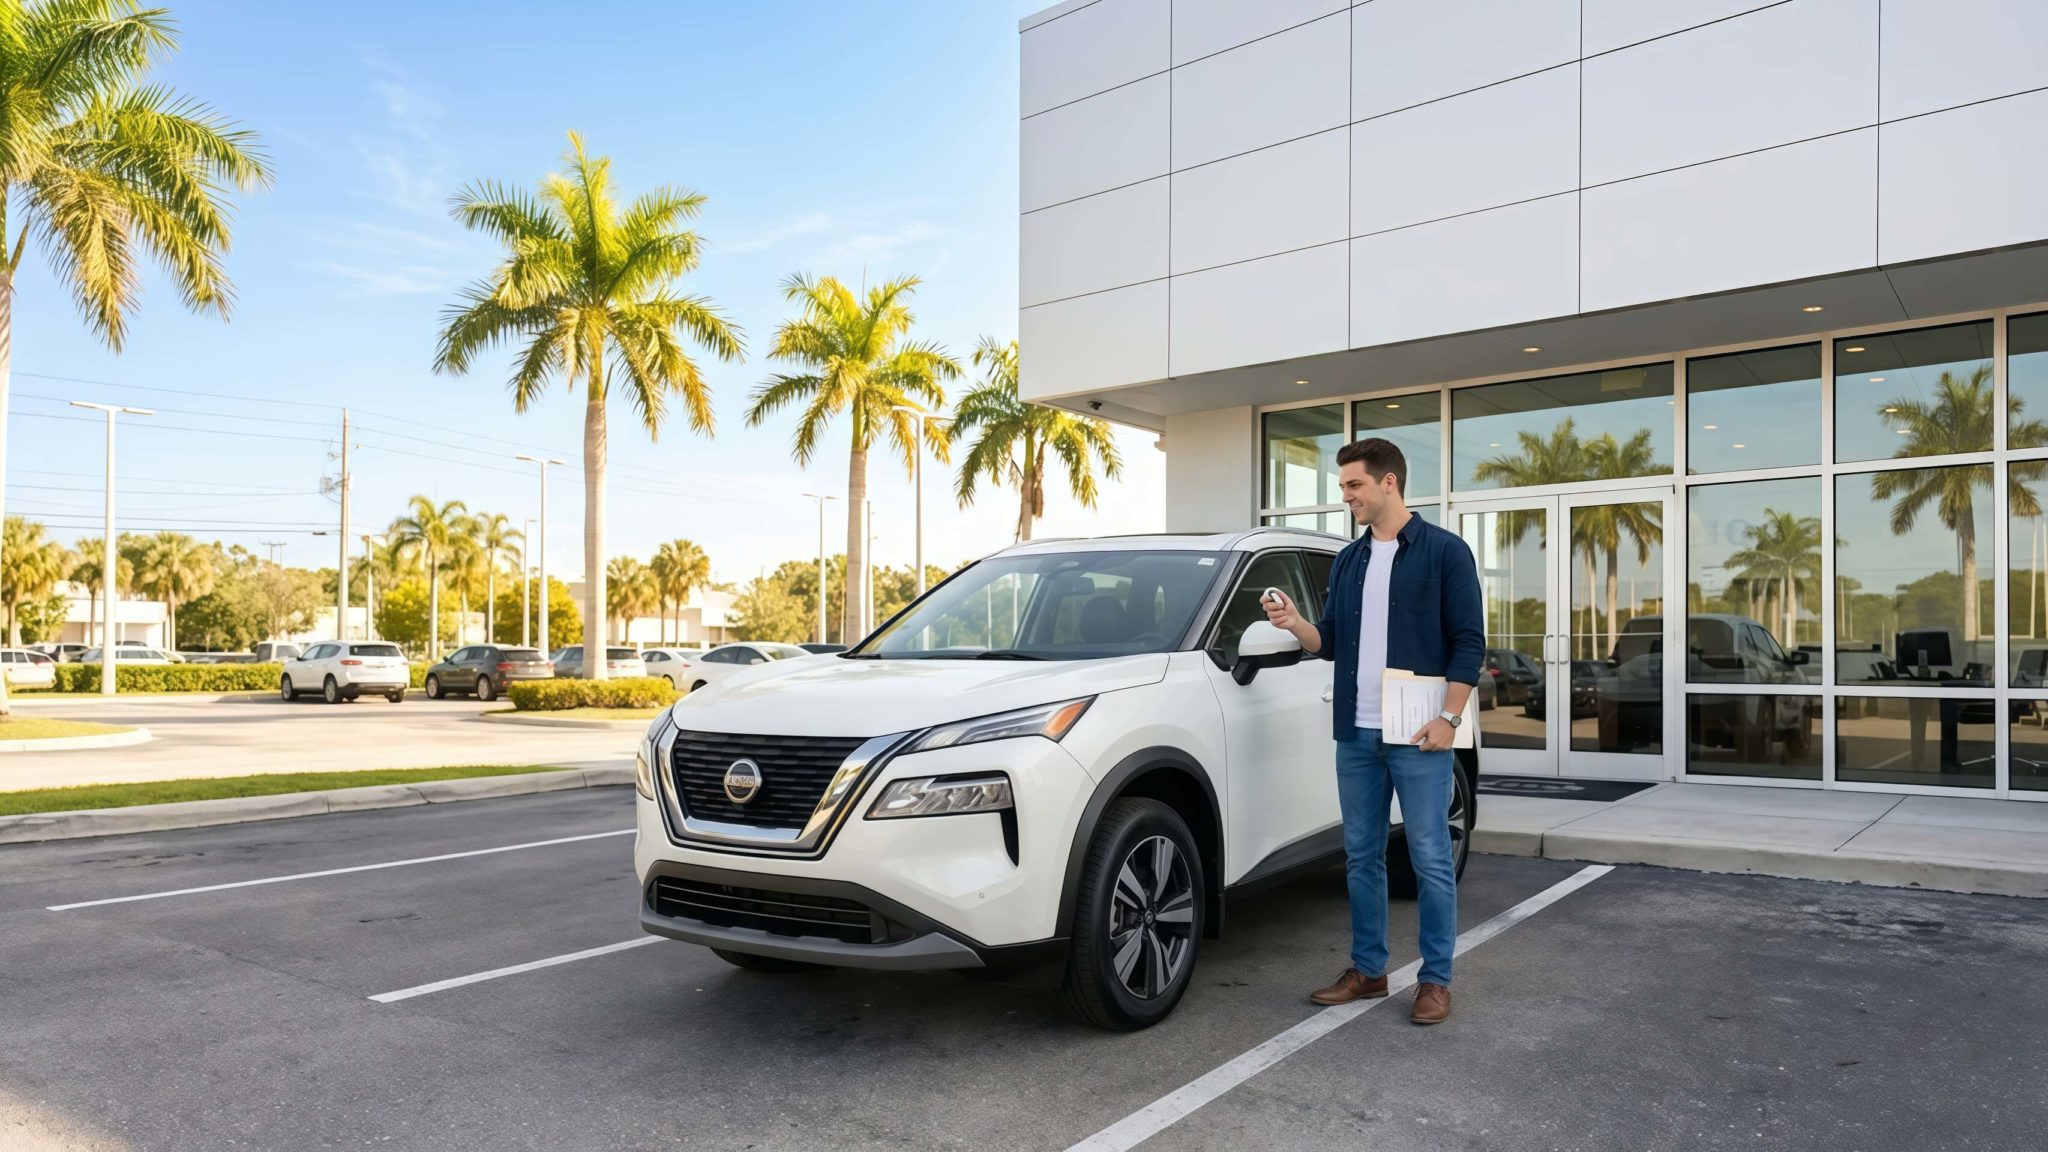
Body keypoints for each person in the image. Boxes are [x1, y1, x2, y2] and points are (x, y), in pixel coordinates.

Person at [1261, 436, 1483, 1025]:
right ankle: (1369, 970)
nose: (1346, 497)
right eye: (1343, 487)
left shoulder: (1444, 553)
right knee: (1361, 856)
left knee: (1431, 856)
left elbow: (1469, 643)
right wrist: (1294, 623)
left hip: (1417, 735)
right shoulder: (1351, 560)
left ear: (1389, 482)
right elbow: (1329, 641)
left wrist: (1450, 717)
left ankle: (1435, 980)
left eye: (1354, 485)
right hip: (1356, 735)